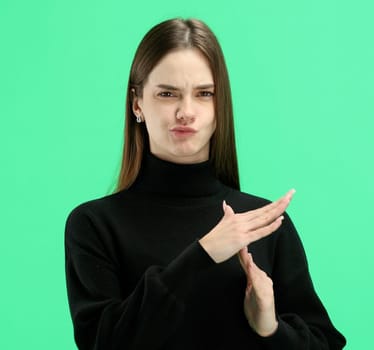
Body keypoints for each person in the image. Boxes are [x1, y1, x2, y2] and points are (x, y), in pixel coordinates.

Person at [64, 18, 346, 350]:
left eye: (204, 94)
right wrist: (204, 254)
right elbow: (103, 343)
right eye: (168, 93)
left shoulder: (263, 223)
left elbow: (324, 344)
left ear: (220, 104)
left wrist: (270, 328)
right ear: (137, 102)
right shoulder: (94, 225)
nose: (186, 112)